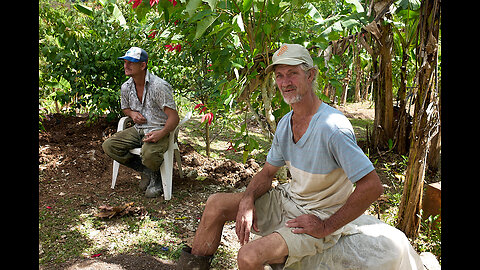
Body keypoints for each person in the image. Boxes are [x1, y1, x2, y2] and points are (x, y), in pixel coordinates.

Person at [176, 44, 424, 269]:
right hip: (289, 200)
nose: (285, 82)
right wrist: (247, 199)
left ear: (311, 75)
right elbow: (266, 173)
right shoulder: (286, 123)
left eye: (292, 73)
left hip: (320, 213)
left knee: (248, 257)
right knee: (216, 204)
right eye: (279, 76)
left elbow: (373, 186)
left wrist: (326, 226)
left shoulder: (332, 127)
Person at [102, 47, 179, 198]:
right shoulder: (126, 87)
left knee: (149, 153)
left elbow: (174, 118)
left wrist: (161, 133)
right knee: (109, 146)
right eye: (125, 62)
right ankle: (148, 171)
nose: (126, 66)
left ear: (143, 66)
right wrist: (132, 114)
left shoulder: (159, 86)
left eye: (131, 62)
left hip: (159, 130)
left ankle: (155, 176)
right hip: (139, 130)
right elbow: (125, 108)